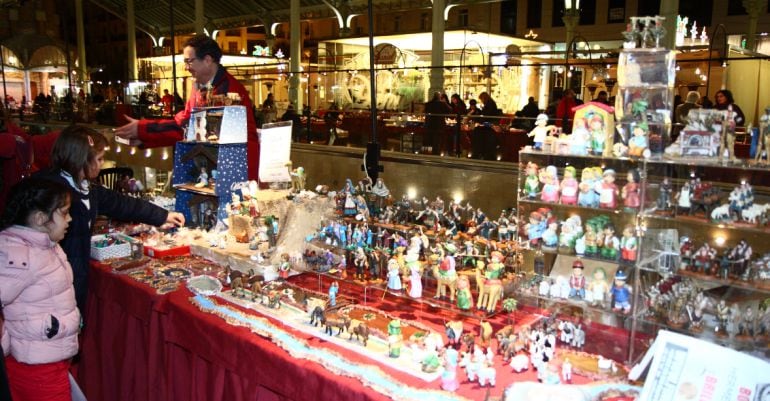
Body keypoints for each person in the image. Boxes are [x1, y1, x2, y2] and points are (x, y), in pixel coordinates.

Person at [36, 125, 185, 313]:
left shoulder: (87, 187)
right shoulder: (48, 190)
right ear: (81, 160)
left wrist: (162, 215)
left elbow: (122, 204)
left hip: (76, 272)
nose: (102, 163)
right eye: (99, 159)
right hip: (50, 281)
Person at [114, 34, 259, 180]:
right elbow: (187, 122)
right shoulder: (202, 86)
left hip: (235, 168)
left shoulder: (228, 91)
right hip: (215, 163)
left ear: (208, 60)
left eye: (189, 61)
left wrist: (143, 130)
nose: (186, 67)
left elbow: (190, 127)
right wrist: (145, 137)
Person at [0, 177, 79, 400]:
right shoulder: (18, 256)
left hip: (49, 357)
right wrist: (6, 344)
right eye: (64, 212)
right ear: (40, 218)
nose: (70, 219)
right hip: (35, 367)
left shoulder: (44, 245)